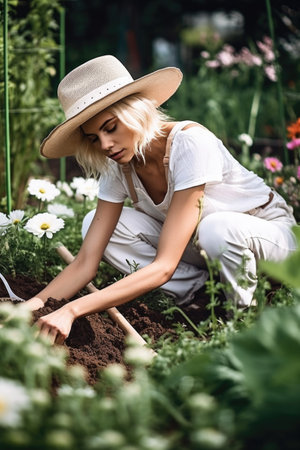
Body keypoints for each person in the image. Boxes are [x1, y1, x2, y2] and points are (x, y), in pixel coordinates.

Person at [26, 55, 297, 344]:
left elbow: (165, 265)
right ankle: (200, 297)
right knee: (95, 222)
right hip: (205, 247)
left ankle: (239, 322)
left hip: (271, 240)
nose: (105, 145)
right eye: (93, 138)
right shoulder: (118, 165)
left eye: (110, 127)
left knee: (217, 229)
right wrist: (34, 305)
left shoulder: (189, 143)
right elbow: (85, 263)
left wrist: (71, 310)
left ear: (135, 111)